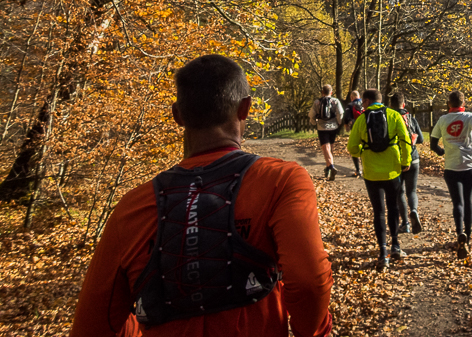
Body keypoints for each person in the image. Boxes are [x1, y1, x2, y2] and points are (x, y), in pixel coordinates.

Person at [70, 54, 333, 337]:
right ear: (245, 108)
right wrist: (312, 331)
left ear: (178, 115)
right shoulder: (280, 180)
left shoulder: (131, 208)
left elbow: (93, 324)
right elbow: (308, 281)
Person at [346, 88, 412, 270]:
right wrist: (405, 161)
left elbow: (351, 147)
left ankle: (383, 253)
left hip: (371, 173)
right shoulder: (393, 115)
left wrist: (364, 152)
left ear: (366, 101)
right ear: (381, 100)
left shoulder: (361, 120)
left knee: (378, 212)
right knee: (392, 207)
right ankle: (396, 245)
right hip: (392, 171)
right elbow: (405, 140)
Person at [430, 90, 472, 259]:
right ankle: (468, 237)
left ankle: (459, 233)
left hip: (452, 166)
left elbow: (433, 143)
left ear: (449, 104)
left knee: (457, 202)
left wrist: (442, 152)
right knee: (468, 200)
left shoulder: (442, 120)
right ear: (463, 104)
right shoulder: (469, 117)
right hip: (470, 165)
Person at [389, 91, 424, 234]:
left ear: (390, 106)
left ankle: (405, 223)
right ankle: (414, 210)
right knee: (412, 191)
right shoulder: (410, 118)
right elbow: (421, 139)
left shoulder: (390, 118)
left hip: (397, 160)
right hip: (414, 158)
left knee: (399, 192)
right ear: (404, 104)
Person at [309, 84, 344, 180]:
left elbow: (311, 114)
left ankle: (331, 167)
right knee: (330, 147)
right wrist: (339, 122)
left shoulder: (317, 102)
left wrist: (313, 122)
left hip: (322, 127)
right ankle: (328, 167)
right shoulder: (335, 101)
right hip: (333, 127)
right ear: (331, 92)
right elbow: (340, 113)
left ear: (322, 92)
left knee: (326, 148)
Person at [341, 89, 364, 178]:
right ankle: (365, 169)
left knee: (354, 148)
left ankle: (358, 170)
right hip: (365, 129)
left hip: (355, 129)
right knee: (364, 148)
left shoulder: (350, 105)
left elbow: (346, 116)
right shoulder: (364, 104)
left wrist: (346, 125)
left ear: (351, 97)